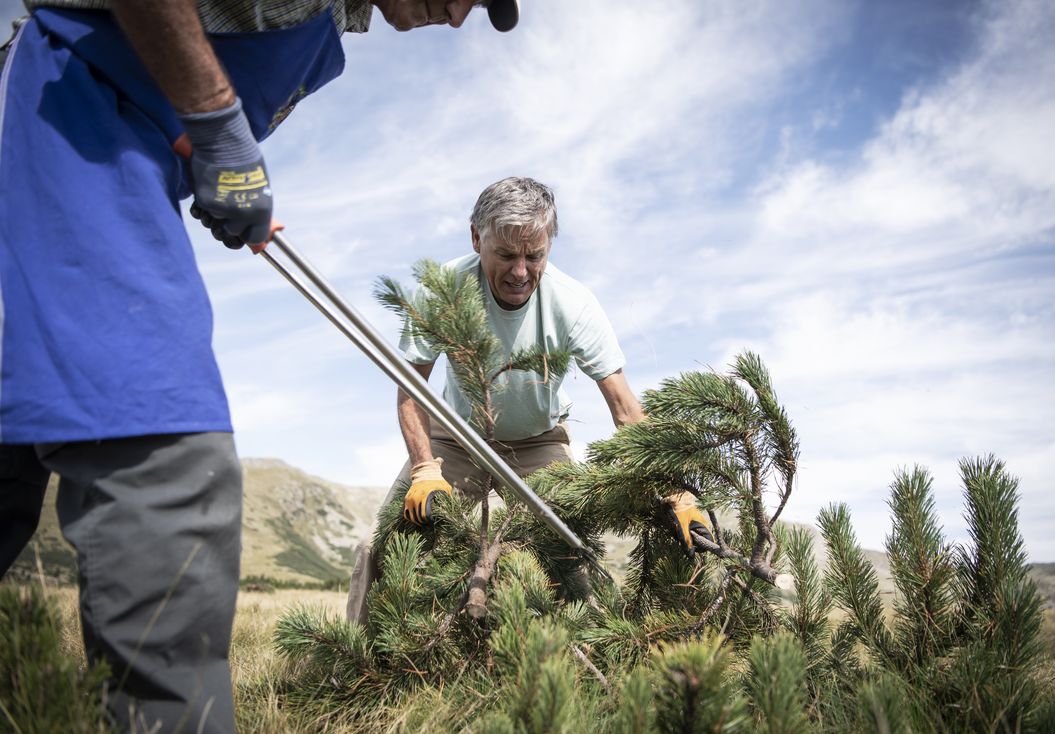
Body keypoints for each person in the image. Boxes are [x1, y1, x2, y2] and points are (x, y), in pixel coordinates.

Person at [0, 1, 517, 732]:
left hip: (124, 155)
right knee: (164, 458)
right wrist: (218, 129)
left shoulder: (336, 23)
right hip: (63, 120)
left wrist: (202, 152)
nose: (462, 15)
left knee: (16, 454)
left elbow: (175, 89)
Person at [345, 176, 713, 625]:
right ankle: (356, 658)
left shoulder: (573, 304)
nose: (521, 272)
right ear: (477, 238)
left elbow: (625, 410)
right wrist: (424, 469)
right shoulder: (444, 290)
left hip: (538, 441)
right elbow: (411, 388)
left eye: (534, 255)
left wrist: (676, 490)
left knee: (570, 552)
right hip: (456, 435)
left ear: (549, 246)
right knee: (378, 546)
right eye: (506, 255)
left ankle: (581, 653)